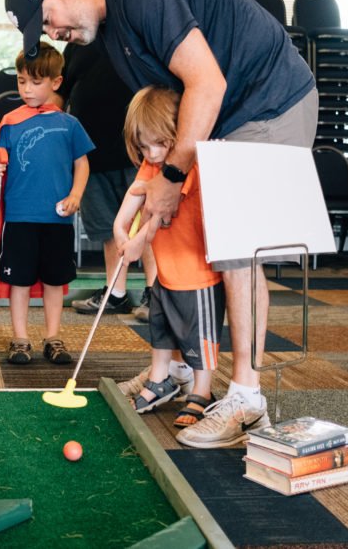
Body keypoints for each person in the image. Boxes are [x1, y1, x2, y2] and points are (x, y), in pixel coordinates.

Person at [5, 0, 317, 447]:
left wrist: (171, 175)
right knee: (174, 234)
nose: (54, 34)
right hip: (222, 112)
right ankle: (174, 371)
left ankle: (246, 398)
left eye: (48, 20)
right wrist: (152, 185)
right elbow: (168, 106)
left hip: (266, 103)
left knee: (238, 250)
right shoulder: (111, 26)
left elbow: (207, 83)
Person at [115, 86, 227, 435]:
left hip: (196, 274)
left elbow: (160, 214)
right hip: (165, 272)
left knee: (198, 337)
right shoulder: (152, 164)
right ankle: (160, 378)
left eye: (160, 144)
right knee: (161, 330)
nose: (152, 154)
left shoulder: (187, 165)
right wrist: (120, 228)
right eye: (144, 146)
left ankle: (202, 390)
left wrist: (137, 241)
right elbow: (136, 195)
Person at [0, 43, 94, 365]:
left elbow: (82, 163)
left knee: (54, 280)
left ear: (55, 82)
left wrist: (76, 195)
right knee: (18, 281)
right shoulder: (10, 121)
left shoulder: (69, 124)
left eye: (36, 82)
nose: (27, 89)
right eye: (22, 81)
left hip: (57, 218)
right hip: (20, 216)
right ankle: (20, 338)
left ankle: (53, 336)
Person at [59, 42, 158, 319]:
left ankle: (156, 293)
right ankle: (115, 293)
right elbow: (60, 94)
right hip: (92, 156)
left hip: (138, 155)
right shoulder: (76, 45)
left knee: (147, 225)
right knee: (106, 229)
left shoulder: (134, 35)